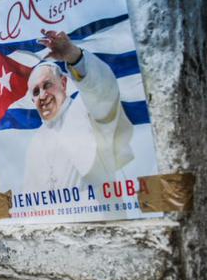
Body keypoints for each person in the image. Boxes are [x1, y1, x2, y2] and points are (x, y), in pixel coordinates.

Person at [22, 29, 134, 192]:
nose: (43, 95)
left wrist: (73, 55)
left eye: (47, 85)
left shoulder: (85, 108)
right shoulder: (35, 142)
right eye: (36, 92)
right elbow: (29, 192)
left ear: (64, 83)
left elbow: (102, 91)